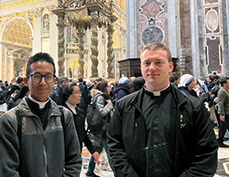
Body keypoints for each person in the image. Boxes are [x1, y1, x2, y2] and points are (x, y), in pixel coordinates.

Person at [107, 43, 218, 177]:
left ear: (170, 66)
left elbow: (206, 153)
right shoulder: (124, 106)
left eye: (158, 62)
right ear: (141, 67)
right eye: (147, 63)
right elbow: (115, 147)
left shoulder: (192, 106)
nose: (152, 68)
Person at [0, 52, 82, 177]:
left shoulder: (64, 116)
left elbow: (74, 159)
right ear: (26, 81)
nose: (43, 82)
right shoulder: (10, 120)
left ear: (54, 81)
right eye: (37, 76)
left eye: (48, 77)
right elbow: (7, 171)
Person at [61, 83, 99, 161]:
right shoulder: (61, 112)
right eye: (77, 93)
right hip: (64, 152)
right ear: (68, 95)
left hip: (77, 149)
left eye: (80, 92)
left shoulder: (79, 111)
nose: (80, 95)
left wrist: (92, 150)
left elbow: (82, 132)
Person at [86, 80, 114, 177]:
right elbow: (101, 112)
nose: (110, 88)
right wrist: (110, 105)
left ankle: (90, 170)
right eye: (108, 86)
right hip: (103, 129)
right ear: (104, 88)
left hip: (101, 129)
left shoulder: (100, 97)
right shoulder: (101, 98)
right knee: (110, 151)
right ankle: (116, 172)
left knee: (97, 150)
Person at [216, 77, 229, 147]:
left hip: (227, 113)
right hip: (225, 113)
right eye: (228, 83)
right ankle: (219, 141)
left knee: (224, 128)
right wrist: (222, 114)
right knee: (223, 128)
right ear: (224, 84)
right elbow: (220, 103)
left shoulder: (226, 90)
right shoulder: (222, 91)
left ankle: (220, 140)